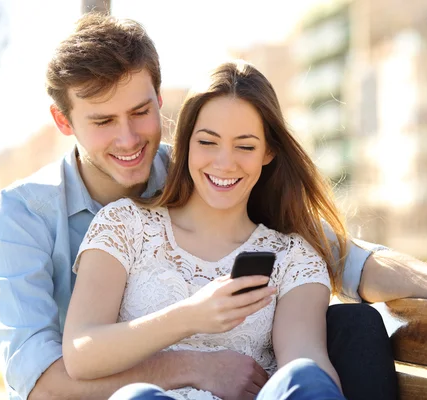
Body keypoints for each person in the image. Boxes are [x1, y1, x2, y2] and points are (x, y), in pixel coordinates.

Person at [0, 13, 427, 400]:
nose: (129, 138)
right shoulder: (22, 219)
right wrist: (194, 364)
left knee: (350, 330)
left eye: (141, 111)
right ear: (64, 122)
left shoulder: (204, 170)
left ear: (160, 99)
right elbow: (42, 381)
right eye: (103, 120)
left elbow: (340, 254)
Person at [63, 59, 352, 399]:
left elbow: (306, 360)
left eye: (245, 146)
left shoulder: (293, 257)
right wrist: (190, 316)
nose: (224, 163)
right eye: (207, 142)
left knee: (307, 376)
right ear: (185, 141)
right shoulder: (125, 225)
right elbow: (81, 352)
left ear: (268, 151)